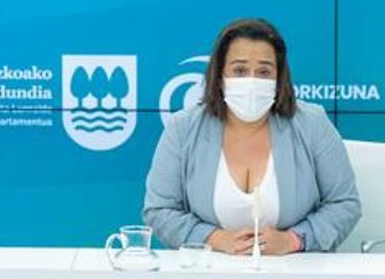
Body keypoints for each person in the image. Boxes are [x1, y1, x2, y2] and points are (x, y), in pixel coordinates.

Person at [143, 18, 360, 254]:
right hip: (208, 268)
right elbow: (159, 210)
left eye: (264, 72)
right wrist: (214, 239)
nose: (252, 81)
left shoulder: (312, 123)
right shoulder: (183, 127)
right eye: (239, 70)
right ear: (220, 75)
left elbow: (344, 204)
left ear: (279, 78)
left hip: (293, 269)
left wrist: (293, 240)